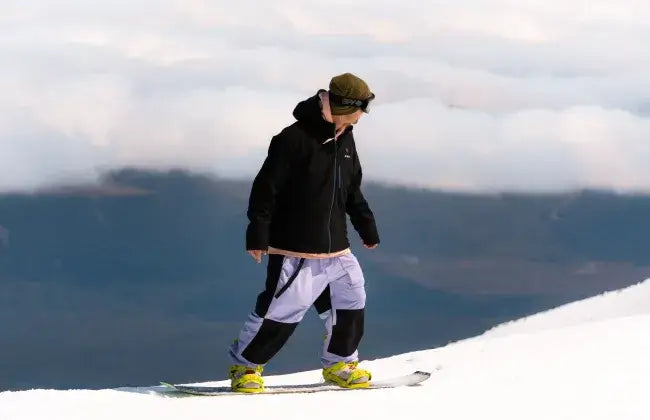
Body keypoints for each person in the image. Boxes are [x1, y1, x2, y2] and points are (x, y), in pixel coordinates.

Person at [228, 73, 380, 393]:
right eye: (360, 108)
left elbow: (351, 190)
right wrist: (257, 234)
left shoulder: (346, 139)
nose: (362, 115)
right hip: (295, 248)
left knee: (351, 300)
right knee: (281, 310)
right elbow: (265, 189)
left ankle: (340, 363)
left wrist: (366, 226)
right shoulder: (293, 139)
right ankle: (246, 367)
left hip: (337, 248)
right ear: (344, 106)